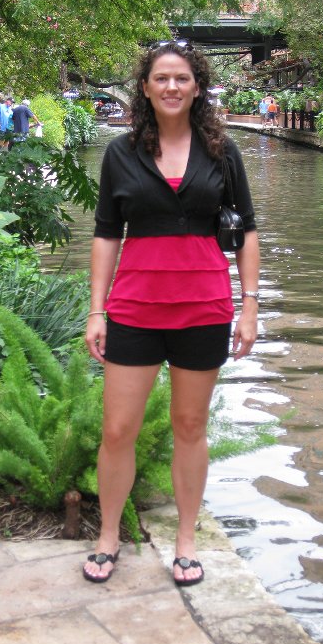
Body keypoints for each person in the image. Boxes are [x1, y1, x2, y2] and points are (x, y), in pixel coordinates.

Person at [83, 41, 260, 586]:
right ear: (145, 87)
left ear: (197, 86)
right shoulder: (121, 153)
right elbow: (107, 233)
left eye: (181, 78)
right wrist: (97, 309)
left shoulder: (222, 151)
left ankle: (186, 541)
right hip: (135, 305)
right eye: (161, 78)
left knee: (190, 425)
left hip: (205, 305)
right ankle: (109, 535)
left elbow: (246, 231)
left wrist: (250, 305)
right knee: (117, 429)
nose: (171, 87)